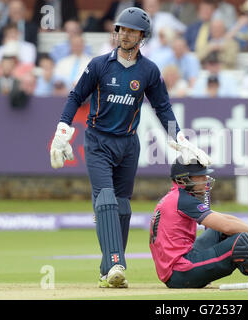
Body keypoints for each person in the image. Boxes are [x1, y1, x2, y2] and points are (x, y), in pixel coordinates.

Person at [49, 7, 211, 289]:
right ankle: (115, 263)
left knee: (122, 207)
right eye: (121, 29)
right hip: (98, 141)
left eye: (131, 31)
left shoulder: (148, 70)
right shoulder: (99, 64)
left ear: (141, 37)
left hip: (128, 144)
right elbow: (76, 96)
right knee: (107, 199)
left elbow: (163, 107)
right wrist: (62, 130)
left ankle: (107, 272)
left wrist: (180, 140)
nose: (125, 35)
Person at [149, 158, 248, 288]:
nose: (206, 179)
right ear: (184, 179)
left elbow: (224, 220)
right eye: (201, 176)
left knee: (221, 231)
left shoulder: (176, 196)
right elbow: (227, 225)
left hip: (178, 266)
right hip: (180, 272)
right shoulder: (182, 200)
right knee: (242, 243)